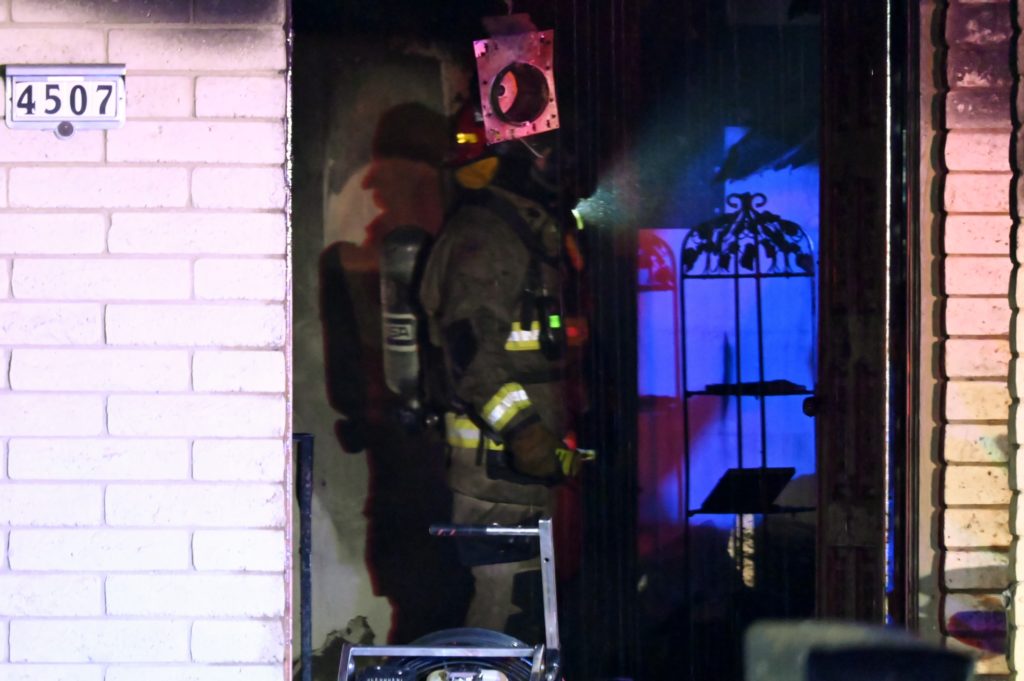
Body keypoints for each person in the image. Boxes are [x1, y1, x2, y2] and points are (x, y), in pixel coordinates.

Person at [419, 102, 585, 640]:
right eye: (547, 154)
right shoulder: (486, 238)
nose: (558, 168)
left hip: (517, 475)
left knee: (526, 614)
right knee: (502, 615)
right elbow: (472, 356)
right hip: (494, 472)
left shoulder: (522, 234)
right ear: (512, 160)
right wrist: (525, 432)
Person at [319, 101, 473, 643]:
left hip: (427, 486)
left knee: (436, 616)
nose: (381, 190)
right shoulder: (440, 256)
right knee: (434, 615)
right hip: (425, 485)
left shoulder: (369, 262)